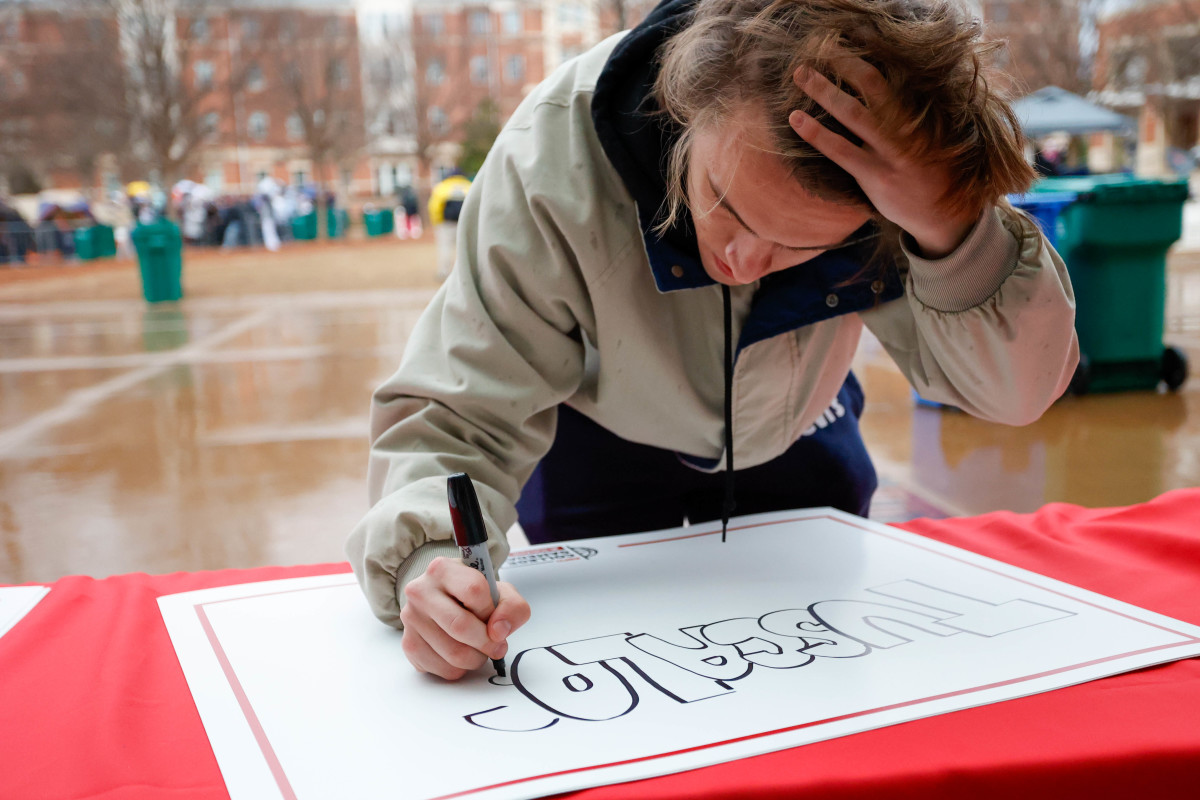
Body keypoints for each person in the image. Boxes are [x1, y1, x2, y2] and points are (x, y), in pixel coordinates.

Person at [346, 0, 1079, 681]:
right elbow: (461, 410)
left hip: (801, 417)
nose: (740, 262)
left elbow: (1014, 395)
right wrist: (432, 562)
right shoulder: (549, 162)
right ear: (683, 104)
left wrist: (953, 231)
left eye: (800, 246)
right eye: (726, 205)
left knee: (820, 680)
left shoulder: (909, 183)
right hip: (600, 427)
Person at [427, 170, 471, 279]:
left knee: (445, 248)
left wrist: (437, 221)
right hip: (465, 223)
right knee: (465, 249)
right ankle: (466, 273)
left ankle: (444, 272)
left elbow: (434, 207)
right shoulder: (469, 186)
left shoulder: (442, 187)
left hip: (446, 224)